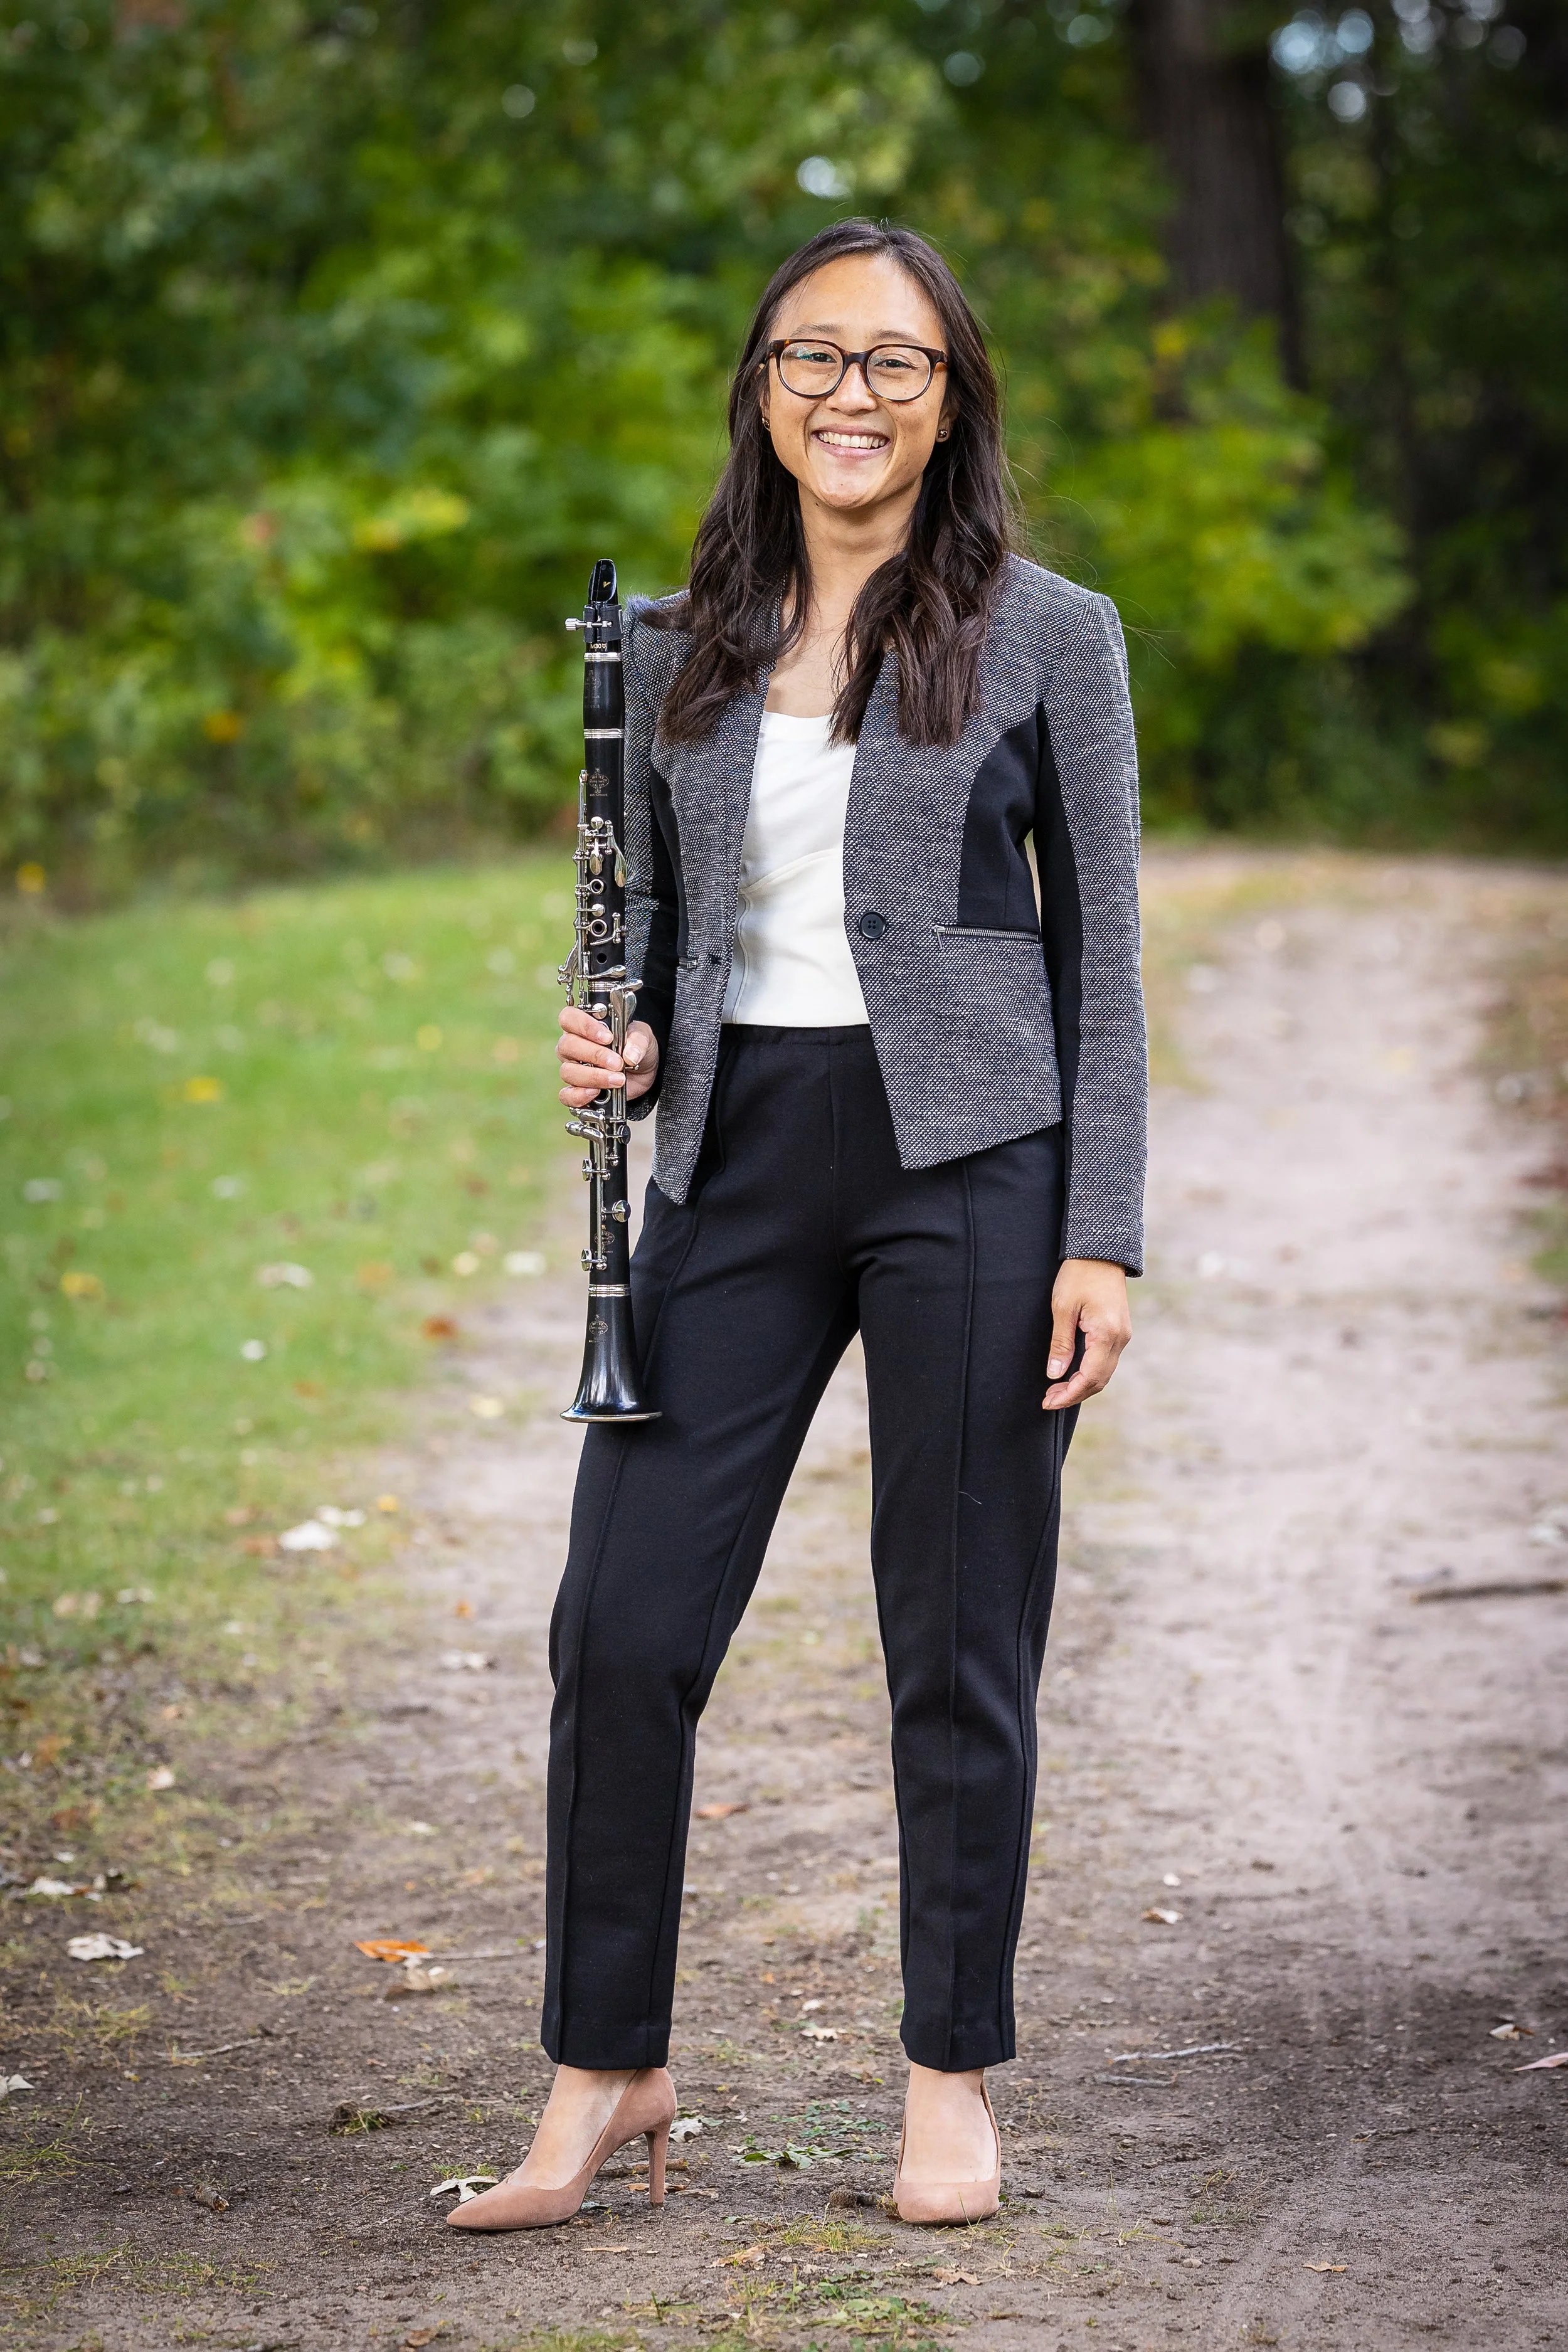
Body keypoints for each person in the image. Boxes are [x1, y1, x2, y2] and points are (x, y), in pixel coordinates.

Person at [450, 218, 1145, 2233]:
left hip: (973, 1163)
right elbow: (659, 926)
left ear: (951, 400)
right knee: (622, 1623)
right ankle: (607, 2067)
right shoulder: (679, 634)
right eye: (811, 356)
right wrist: (627, 1034)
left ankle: (947, 2081)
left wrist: (1100, 1229)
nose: (851, 393)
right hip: (735, 1158)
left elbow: (1107, 948)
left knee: (954, 1637)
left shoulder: (1047, 630)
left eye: (896, 363)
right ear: (761, 386)